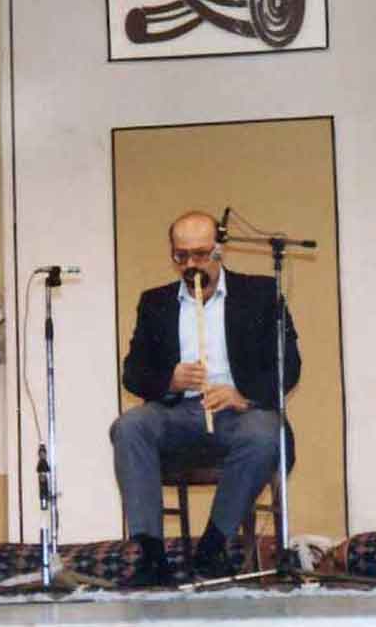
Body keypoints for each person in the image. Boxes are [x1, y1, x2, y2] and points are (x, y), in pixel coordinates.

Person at [110, 210, 301, 586]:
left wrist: (242, 395)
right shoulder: (155, 302)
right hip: (177, 412)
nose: (191, 265)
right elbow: (133, 373)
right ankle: (151, 555)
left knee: (266, 434)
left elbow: (289, 366)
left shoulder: (260, 294)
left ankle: (212, 547)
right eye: (181, 256)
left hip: (240, 414)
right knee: (129, 427)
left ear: (219, 251)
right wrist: (170, 380)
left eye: (199, 254)